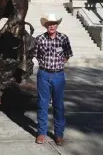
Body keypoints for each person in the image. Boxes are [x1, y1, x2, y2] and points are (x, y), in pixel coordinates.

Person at [33, 13, 73, 146]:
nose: (52, 26)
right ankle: (41, 133)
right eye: (50, 24)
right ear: (46, 26)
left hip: (58, 76)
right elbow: (36, 55)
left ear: (57, 25)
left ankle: (59, 134)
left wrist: (60, 64)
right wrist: (45, 65)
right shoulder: (39, 39)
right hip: (44, 75)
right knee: (42, 105)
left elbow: (68, 54)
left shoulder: (63, 38)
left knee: (58, 106)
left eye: (54, 24)